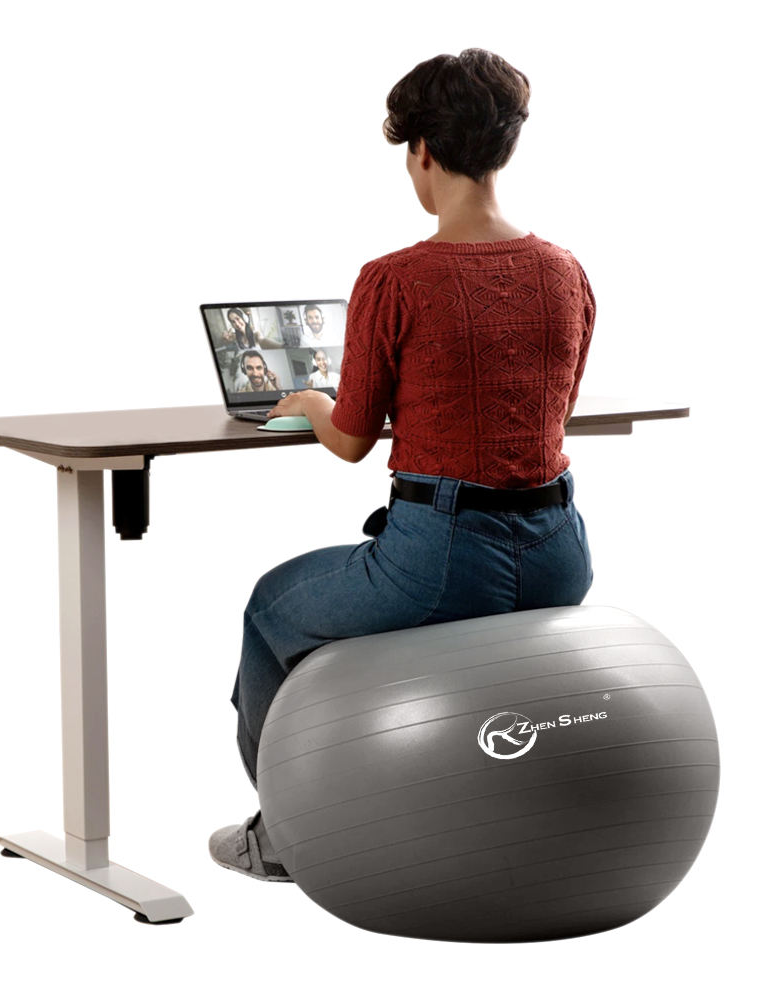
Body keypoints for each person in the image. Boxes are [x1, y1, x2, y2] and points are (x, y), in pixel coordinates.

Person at [209, 49, 596, 881]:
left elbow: (351, 440)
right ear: (504, 146)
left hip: (441, 561)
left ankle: (281, 839)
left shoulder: (395, 280)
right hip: (561, 554)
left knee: (272, 608)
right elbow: (552, 412)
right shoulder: (565, 272)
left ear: (421, 150)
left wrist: (313, 402)